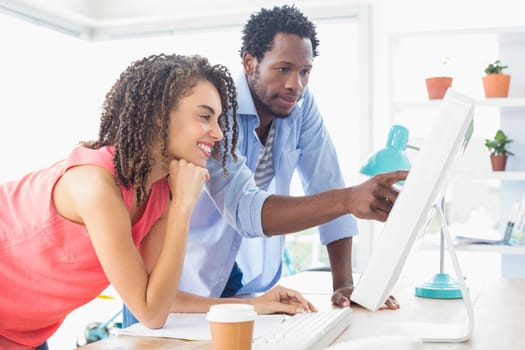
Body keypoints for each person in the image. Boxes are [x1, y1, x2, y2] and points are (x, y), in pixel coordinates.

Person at [0, 53, 315, 350]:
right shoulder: (95, 186)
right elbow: (150, 313)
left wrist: (252, 306)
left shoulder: (159, 190)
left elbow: (160, 300)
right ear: (157, 116)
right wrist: (182, 209)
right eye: (205, 116)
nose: (218, 133)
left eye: (219, 119)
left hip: (26, 334)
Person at [122, 5, 407, 327]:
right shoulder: (216, 109)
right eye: (283, 69)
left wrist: (343, 283)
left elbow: (327, 182)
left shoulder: (300, 105)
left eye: (304, 71)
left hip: (231, 270)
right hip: (172, 272)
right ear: (250, 62)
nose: (295, 85)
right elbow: (246, 209)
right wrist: (348, 200)